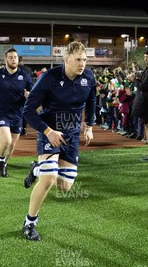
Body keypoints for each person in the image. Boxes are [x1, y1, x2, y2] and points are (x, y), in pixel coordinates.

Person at [21, 41, 96, 241]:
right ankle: (29, 223)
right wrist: (47, 131)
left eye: (85, 59)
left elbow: (91, 101)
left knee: (64, 187)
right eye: (78, 59)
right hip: (49, 132)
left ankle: (35, 169)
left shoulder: (88, 77)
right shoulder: (48, 78)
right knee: (49, 179)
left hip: (71, 136)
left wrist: (89, 126)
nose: (82, 64)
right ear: (66, 59)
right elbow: (28, 111)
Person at [0, 48, 33, 177]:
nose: (13, 59)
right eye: (10, 57)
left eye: (15, 57)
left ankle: (4, 163)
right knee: (6, 141)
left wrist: (29, 95)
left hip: (18, 114)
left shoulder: (25, 75)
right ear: (5, 59)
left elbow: (33, 92)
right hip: (0, 113)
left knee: (12, 145)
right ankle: (0, 161)